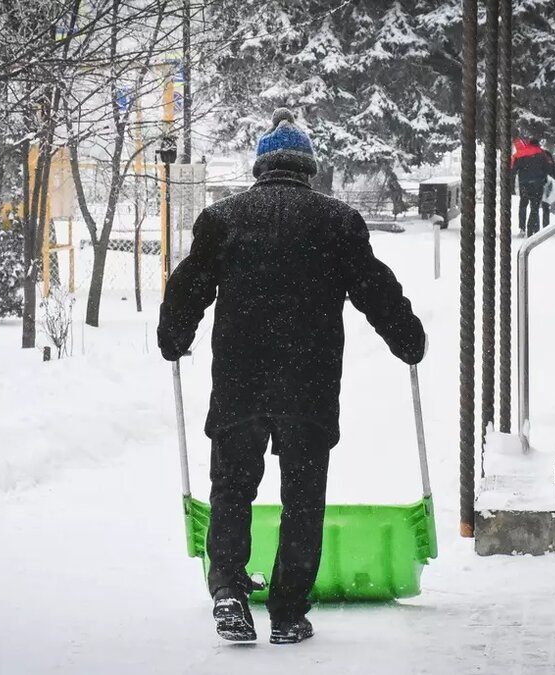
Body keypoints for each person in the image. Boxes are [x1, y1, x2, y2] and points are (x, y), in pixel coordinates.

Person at [157, 108, 426, 645]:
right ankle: (287, 612)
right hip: (309, 381)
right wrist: (406, 337)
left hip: (241, 380)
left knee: (231, 489)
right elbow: (374, 286)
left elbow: (189, 285)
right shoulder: (336, 221)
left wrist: (175, 335)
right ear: (308, 170)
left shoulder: (224, 219)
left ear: (261, 168)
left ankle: (230, 590)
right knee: (304, 495)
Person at [511, 135, 555, 235]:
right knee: (535, 206)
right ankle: (533, 227)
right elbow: (548, 169)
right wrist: (548, 180)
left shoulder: (521, 154)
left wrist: (511, 185)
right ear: (538, 144)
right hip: (538, 183)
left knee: (523, 205)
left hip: (524, 183)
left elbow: (513, 170)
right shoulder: (542, 154)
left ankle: (522, 228)